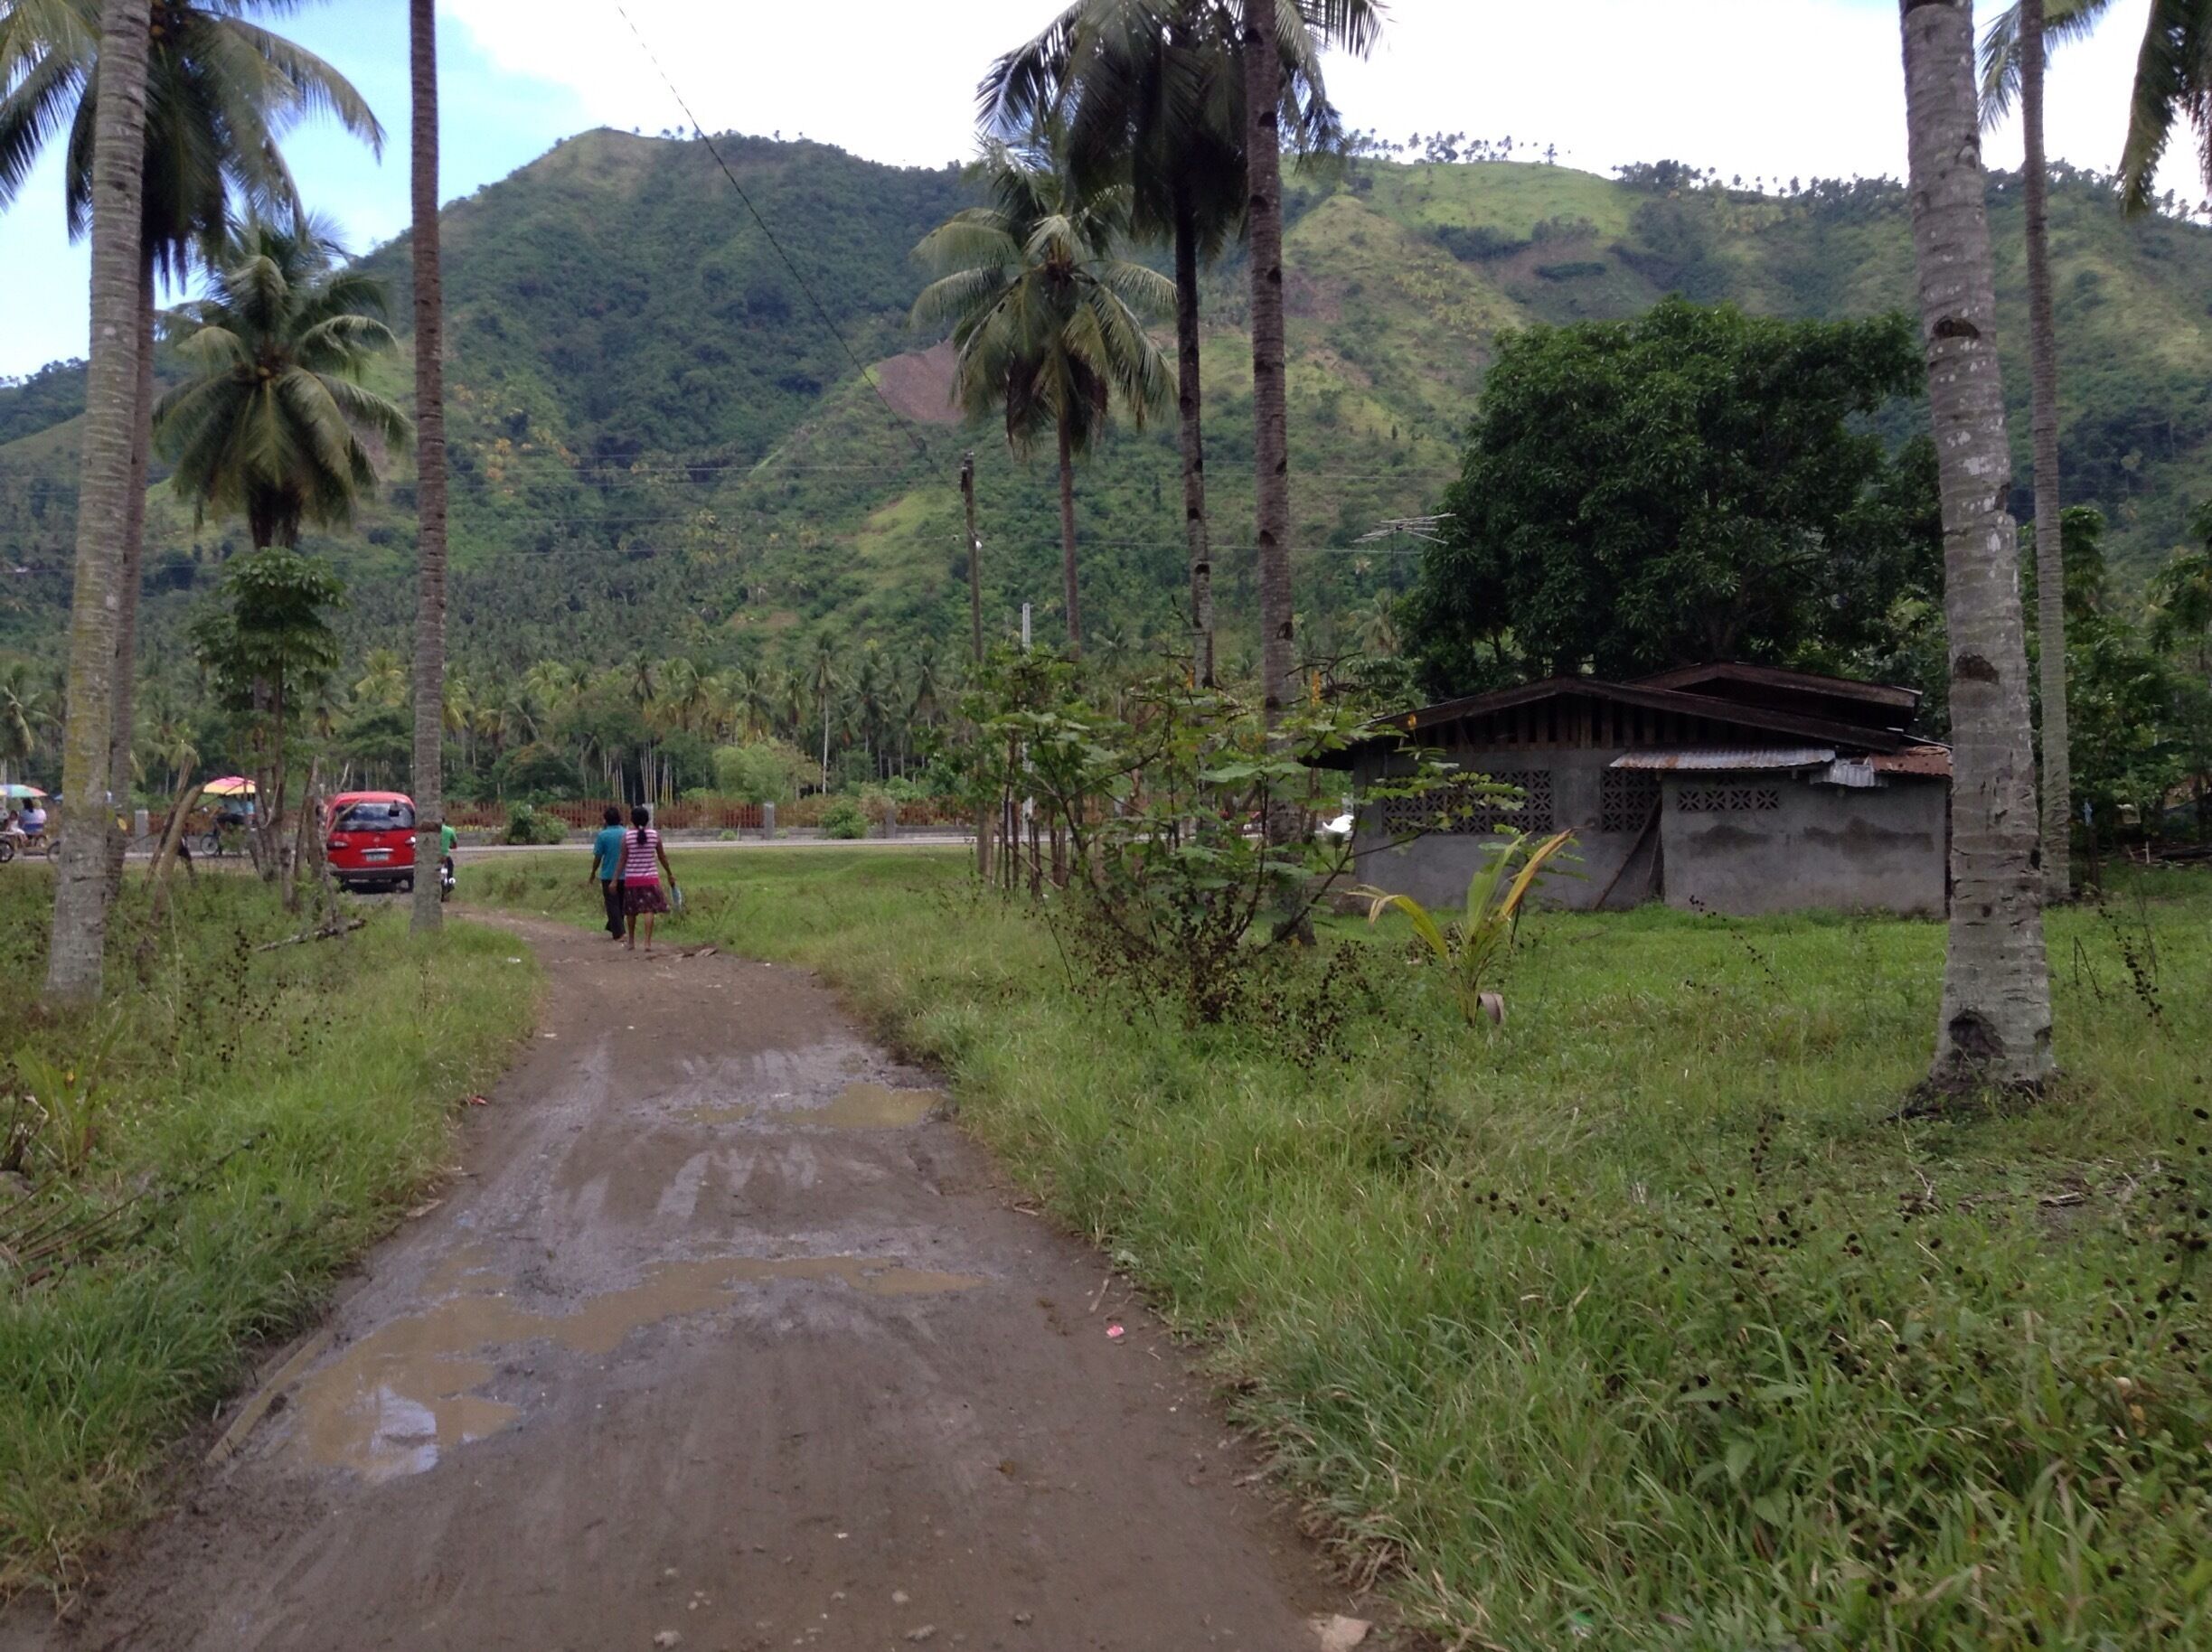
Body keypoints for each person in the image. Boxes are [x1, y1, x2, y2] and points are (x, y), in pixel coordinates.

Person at [618, 804, 674, 953]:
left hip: (632, 879)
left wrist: (614, 879)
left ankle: (631, 941)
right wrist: (669, 873)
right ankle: (647, 943)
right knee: (649, 910)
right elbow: (662, 857)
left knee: (631, 911)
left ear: (632, 820)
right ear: (648, 819)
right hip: (650, 879)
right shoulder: (654, 835)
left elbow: (622, 859)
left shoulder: (627, 836)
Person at [589, 805, 626, 940]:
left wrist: (593, 872)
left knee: (612, 904)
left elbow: (598, 856)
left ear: (605, 820)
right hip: (626, 874)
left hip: (608, 874)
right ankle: (614, 926)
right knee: (621, 903)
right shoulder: (626, 833)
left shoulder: (603, 835)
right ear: (620, 819)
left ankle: (619, 932)